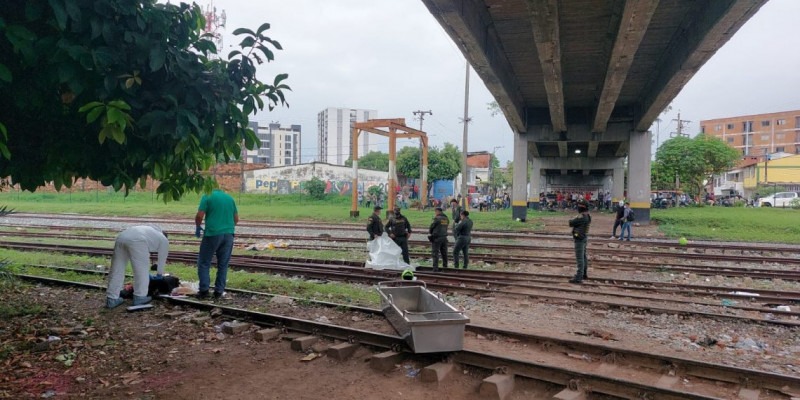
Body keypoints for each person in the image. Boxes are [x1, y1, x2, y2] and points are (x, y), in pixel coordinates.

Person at [105, 225, 169, 308]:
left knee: (117, 269)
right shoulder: (163, 240)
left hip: (121, 237)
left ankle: (111, 299)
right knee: (142, 271)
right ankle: (140, 297)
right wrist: (159, 274)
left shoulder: (150, 231)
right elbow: (162, 259)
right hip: (138, 240)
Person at [195, 188, 238, 300]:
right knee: (223, 264)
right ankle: (219, 291)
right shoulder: (230, 198)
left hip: (212, 234)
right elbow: (236, 219)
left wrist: (198, 226)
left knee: (204, 262)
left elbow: (200, 216)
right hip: (229, 234)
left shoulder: (207, 196)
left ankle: (204, 290)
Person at [568, 202, 591, 284]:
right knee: (584, 257)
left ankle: (579, 277)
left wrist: (573, 219)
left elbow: (570, 223)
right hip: (583, 237)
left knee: (580, 258)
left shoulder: (582, 217)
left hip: (579, 239)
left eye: (579, 206)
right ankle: (584, 274)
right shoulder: (587, 215)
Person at [428, 207, 449, 272]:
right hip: (444, 238)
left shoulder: (436, 218)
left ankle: (435, 269)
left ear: (437, 211)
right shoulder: (446, 218)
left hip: (437, 238)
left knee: (435, 253)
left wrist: (430, 233)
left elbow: (431, 227)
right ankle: (445, 267)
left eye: (435, 212)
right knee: (444, 253)